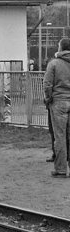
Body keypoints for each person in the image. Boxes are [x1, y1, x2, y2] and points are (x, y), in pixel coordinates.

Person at [43, 38, 70, 177]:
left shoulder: (54, 64)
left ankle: (61, 169)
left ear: (60, 48)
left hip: (59, 102)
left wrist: (48, 99)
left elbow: (47, 84)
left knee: (60, 136)